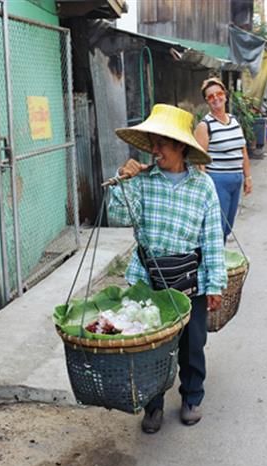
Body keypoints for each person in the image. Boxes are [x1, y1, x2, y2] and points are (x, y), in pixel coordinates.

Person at [108, 104, 227, 434]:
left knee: (192, 345)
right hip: (148, 278)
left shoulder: (203, 187)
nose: (155, 150)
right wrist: (124, 180)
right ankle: (153, 404)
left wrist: (215, 284)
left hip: (191, 280)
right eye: (153, 143)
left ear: (181, 147)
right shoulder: (143, 181)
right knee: (151, 346)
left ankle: (192, 397)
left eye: (162, 143)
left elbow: (212, 238)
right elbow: (119, 216)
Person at [194, 77, 253, 243]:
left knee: (228, 227)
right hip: (218, 182)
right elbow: (200, 160)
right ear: (207, 101)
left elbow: (242, 150)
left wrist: (247, 177)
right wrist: (205, 189)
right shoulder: (205, 126)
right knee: (216, 228)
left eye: (218, 94)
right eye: (210, 97)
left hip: (236, 180)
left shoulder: (234, 121)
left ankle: (219, 260)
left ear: (225, 95)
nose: (216, 99)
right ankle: (212, 265)